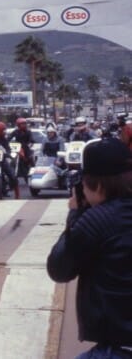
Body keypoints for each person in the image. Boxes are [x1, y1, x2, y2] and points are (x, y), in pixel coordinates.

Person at [47, 139, 132, 358]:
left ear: (98, 186)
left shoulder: (97, 220)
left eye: (83, 185)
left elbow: (59, 269)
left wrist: (76, 213)